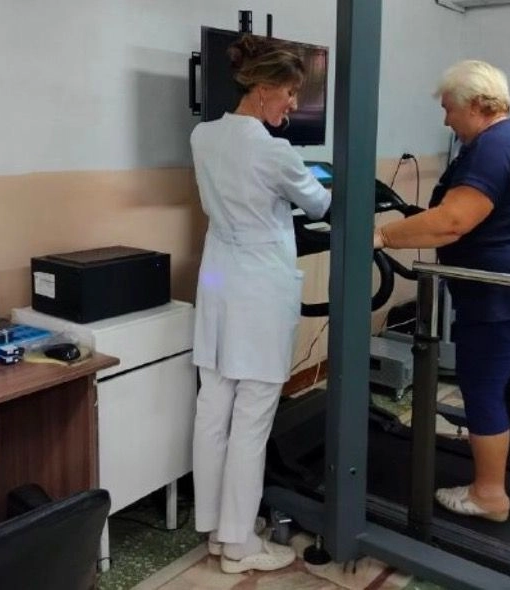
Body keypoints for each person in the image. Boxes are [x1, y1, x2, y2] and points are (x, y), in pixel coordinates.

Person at [373, 60, 510, 528]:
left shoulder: (492, 148)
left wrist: (379, 236)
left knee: (482, 388)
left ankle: (489, 495)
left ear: (477, 104)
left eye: (449, 108)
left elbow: (453, 222)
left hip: (504, 297)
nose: (446, 120)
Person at [189, 34, 331, 573]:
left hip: (218, 279)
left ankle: (216, 530)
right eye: (290, 93)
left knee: (213, 407)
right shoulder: (275, 151)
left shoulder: (202, 135)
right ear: (265, 88)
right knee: (252, 416)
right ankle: (240, 545)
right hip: (258, 288)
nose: (292, 105)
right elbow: (318, 202)